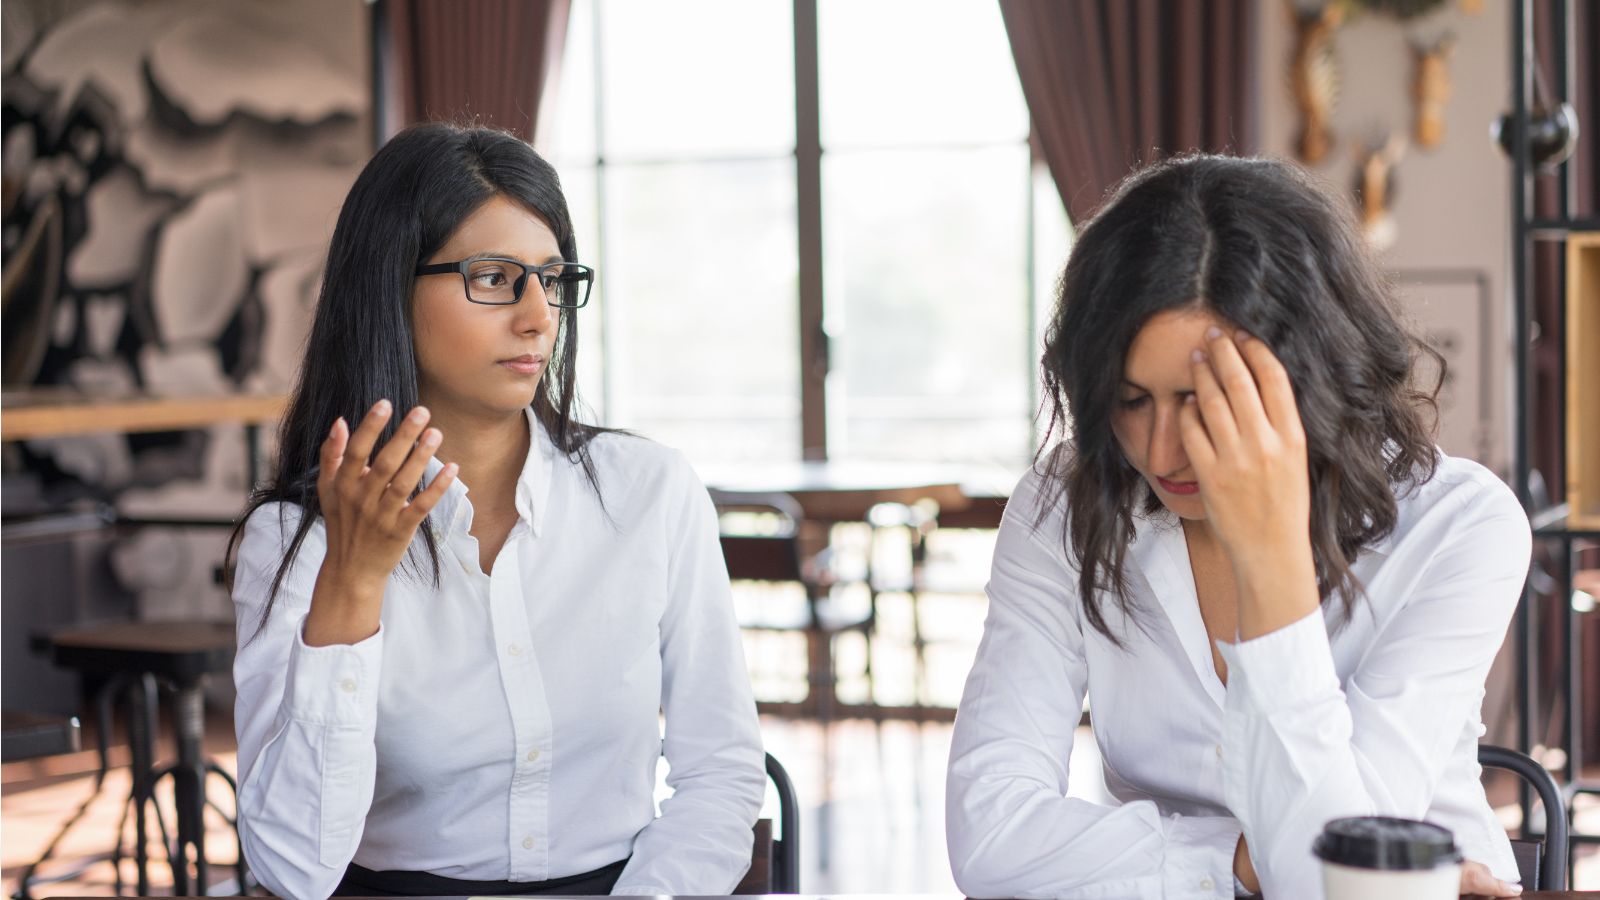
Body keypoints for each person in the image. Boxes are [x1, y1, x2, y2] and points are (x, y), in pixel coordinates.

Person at [945, 155, 1528, 900]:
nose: (1159, 452)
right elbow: (989, 836)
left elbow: (1331, 889)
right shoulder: (1065, 504)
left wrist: (1272, 556)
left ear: (1310, 373)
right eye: (1130, 401)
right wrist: (1236, 860)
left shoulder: (1459, 526)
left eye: (1201, 399)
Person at [227, 122, 765, 899]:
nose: (538, 315)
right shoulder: (296, 539)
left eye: (552, 279)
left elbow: (721, 773)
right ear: (390, 286)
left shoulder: (650, 493)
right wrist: (353, 580)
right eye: (493, 277)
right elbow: (293, 869)